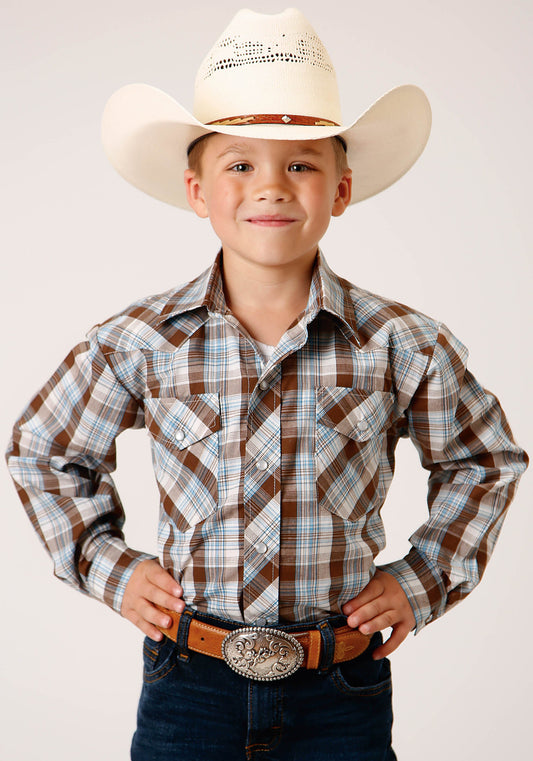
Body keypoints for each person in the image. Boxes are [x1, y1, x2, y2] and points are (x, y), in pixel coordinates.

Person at [6, 8, 527, 760]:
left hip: (340, 690)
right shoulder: (140, 339)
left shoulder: (400, 342)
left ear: (341, 189)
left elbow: (484, 461)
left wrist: (423, 577)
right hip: (190, 682)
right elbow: (43, 451)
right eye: (240, 164)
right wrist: (108, 566)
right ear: (197, 190)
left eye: (301, 164)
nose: (272, 187)